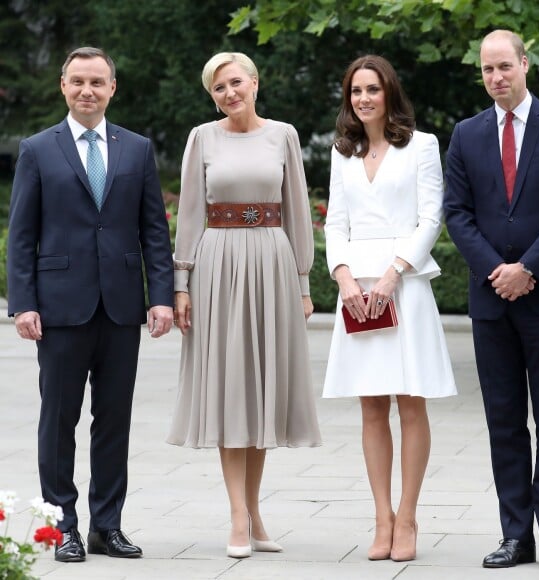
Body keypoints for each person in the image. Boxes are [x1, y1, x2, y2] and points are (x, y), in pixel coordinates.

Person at [7, 47, 174, 563]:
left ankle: (107, 525)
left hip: (122, 308)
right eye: (78, 81)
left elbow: (153, 230)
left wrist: (161, 298)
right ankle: (64, 527)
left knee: (114, 420)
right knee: (58, 420)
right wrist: (23, 303)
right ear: (63, 86)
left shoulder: (137, 149)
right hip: (59, 308)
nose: (87, 90)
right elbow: (21, 234)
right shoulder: (37, 149)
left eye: (97, 82)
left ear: (112, 88)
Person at [167, 52, 322, 559]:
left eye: (236, 83)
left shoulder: (284, 135)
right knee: (231, 389)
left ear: (255, 82)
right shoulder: (201, 138)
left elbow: (297, 207)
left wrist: (303, 282)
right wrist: (182, 282)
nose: (229, 93)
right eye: (218, 88)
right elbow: (190, 211)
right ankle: (237, 515)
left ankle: (255, 513)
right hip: (219, 266)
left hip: (272, 264)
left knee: (259, 392)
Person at [444, 30, 539, 571]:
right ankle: (514, 536)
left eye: (504, 66)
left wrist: (528, 269)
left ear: (525, 63)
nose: (496, 77)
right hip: (491, 300)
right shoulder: (466, 134)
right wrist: (497, 272)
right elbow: (458, 213)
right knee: (503, 422)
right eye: (486, 70)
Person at [322, 55, 457, 562]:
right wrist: (342, 277)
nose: (363, 99)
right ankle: (381, 519)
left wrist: (393, 273)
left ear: (389, 93)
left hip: (404, 283)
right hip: (356, 291)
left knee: (410, 400)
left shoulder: (421, 146)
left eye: (372, 90)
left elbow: (431, 217)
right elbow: (336, 222)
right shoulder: (343, 151)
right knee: (371, 404)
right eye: (356, 90)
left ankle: (408, 516)